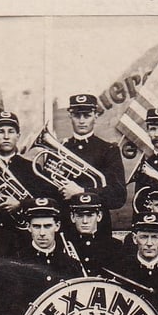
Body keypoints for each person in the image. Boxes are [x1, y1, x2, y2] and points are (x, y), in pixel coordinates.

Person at [60, 93, 128, 231]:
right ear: (70, 117)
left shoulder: (109, 150)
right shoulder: (60, 149)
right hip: (66, 225)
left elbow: (118, 196)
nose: (81, 121)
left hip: (99, 228)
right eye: (77, 115)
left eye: (87, 115)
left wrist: (82, 191)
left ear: (96, 116)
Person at [0, 111, 46, 231]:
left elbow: (43, 201)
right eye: (0, 132)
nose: (6, 137)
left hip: (23, 234)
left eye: (11, 131)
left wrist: (20, 204)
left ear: (18, 136)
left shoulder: (31, 168)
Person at [63, 191, 121, 277]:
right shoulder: (64, 245)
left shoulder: (115, 247)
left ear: (99, 216)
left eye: (90, 215)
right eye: (80, 216)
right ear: (72, 217)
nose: (85, 221)